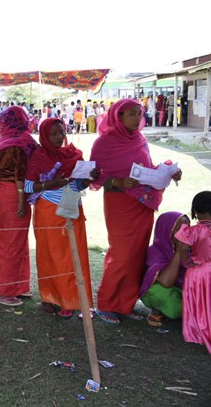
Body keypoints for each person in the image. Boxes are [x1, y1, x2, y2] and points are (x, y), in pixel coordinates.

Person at [89, 98, 181, 324]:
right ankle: (107, 304)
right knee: (121, 255)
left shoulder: (140, 140)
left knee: (137, 255)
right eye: (131, 114)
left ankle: (125, 304)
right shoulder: (104, 143)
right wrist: (118, 182)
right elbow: (94, 176)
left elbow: (147, 169)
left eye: (139, 114)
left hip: (142, 204)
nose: (137, 118)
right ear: (117, 116)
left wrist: (169, 172)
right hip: (119, 204)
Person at [25, 118, 97, 318]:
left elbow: (79, 185)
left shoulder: (74, 155)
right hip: (49, 211)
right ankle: (51, 298)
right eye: (54, 134)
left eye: (62, 132)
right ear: (45, 136)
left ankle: (75, 301)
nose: (60, 137)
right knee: (52, 257)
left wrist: (88, 180)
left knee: (76, 257)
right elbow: (27, 186)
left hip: (73, 208)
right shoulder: (39, 156)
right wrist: (50, 184)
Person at [0, 106, 38, 307]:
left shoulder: (0, 141)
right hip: (14, 193)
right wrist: (20, 201)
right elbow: (20, 174)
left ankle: (17, 285)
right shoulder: (22, 142)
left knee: (3, 241)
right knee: (14, 243)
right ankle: (4, 292)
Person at [174, 191, 211, 353]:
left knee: (198, 301)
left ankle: (196, 331)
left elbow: (182, 248)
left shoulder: (194, 230)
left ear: (195, 211)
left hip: (198, 272)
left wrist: (186, 262)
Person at [139, 212, 189, 327]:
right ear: (166, 231)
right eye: (179, 229)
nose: (185, 233)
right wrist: (178, 252)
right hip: (162, 291)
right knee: (158, 293)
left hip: (180, 290)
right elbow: (166, 282)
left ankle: (189, 311)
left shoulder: (190, 249)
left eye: (187, 228)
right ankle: (158, 310)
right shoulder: (155, 252)